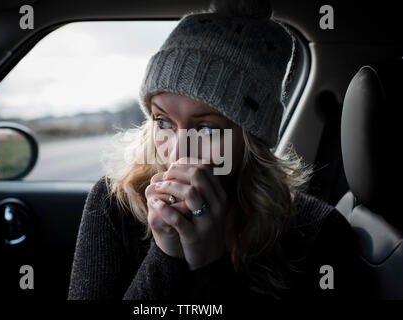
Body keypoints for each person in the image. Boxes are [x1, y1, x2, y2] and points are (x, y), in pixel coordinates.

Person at [68, 0, 366, 300]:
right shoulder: (114, 203)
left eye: (207, 129)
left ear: (252, 139)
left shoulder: (317, 232)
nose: (178, 151)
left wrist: (208, 264)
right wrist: (166, 256)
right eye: (163, 121)